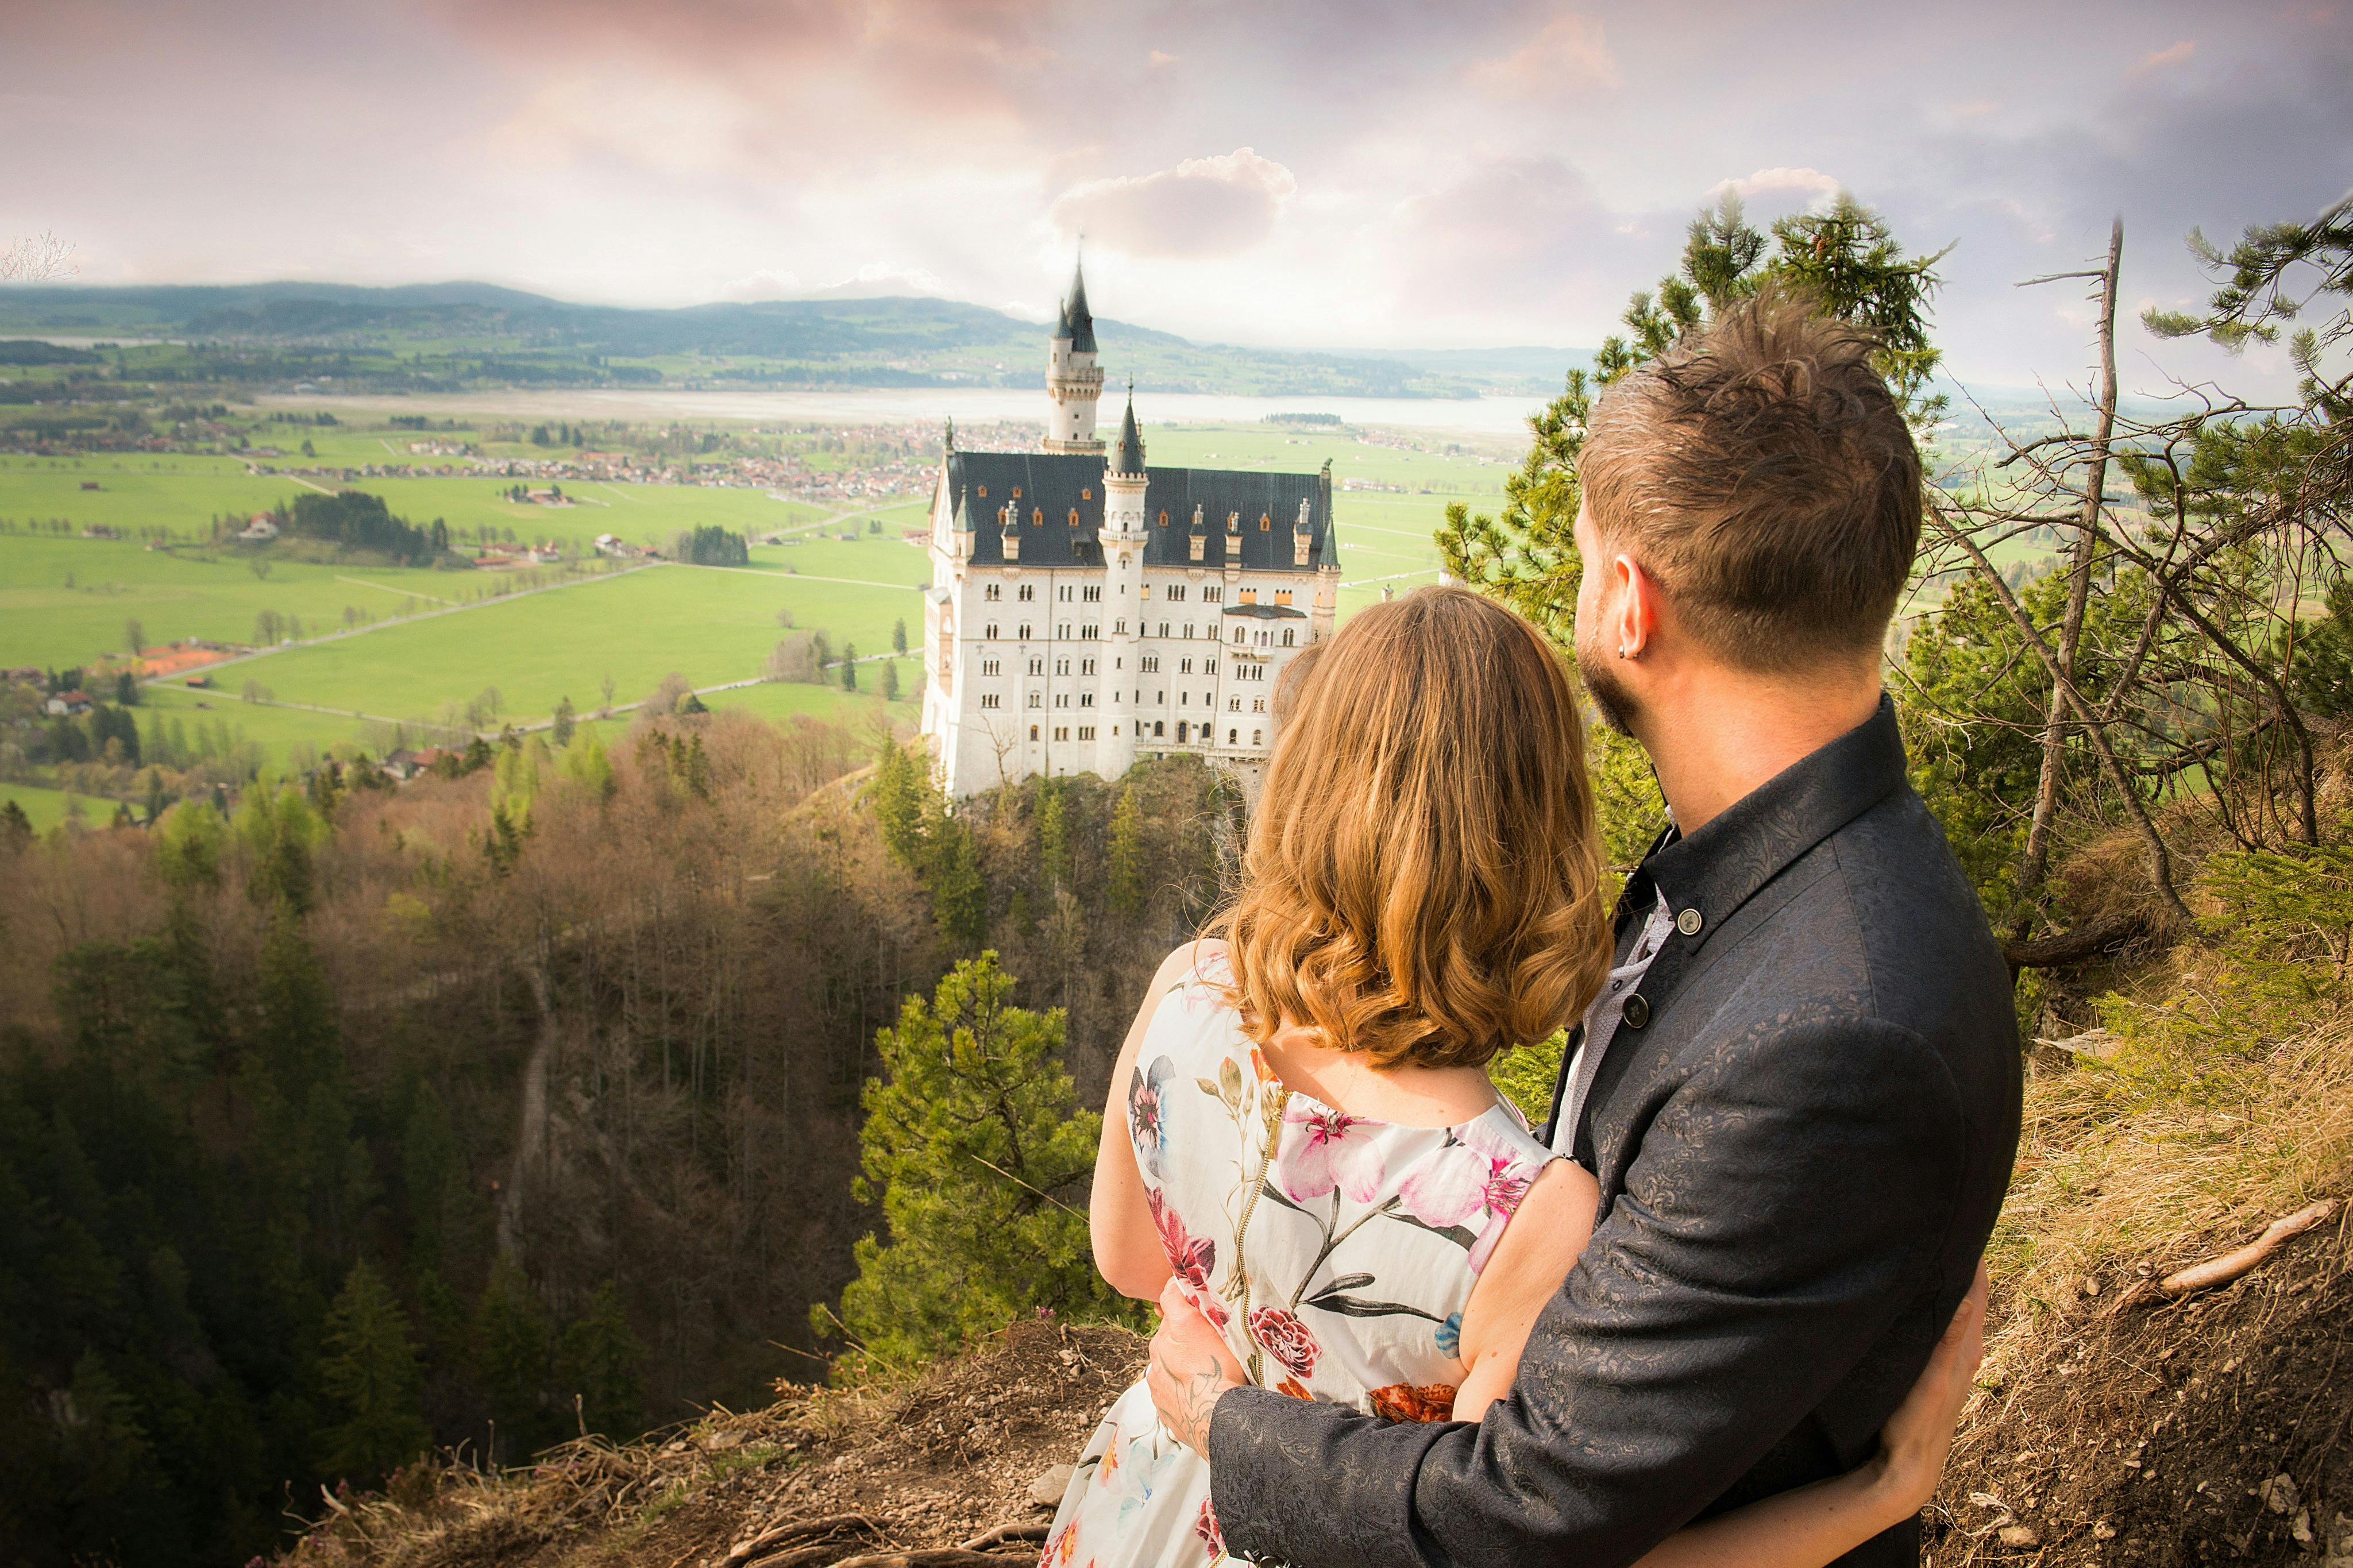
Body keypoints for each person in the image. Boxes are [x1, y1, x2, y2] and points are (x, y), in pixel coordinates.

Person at [1147, 291, 2021, 1567]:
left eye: (1573, 559)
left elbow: (1521, 1516)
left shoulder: (1834, 1037)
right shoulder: (1765, 866)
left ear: (1627, 601)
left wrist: (1224, 1424)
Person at [1037, 585, 1991, 1568]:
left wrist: (1228, 1371)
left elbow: (1129, 1259)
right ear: (1542, 844)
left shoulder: (1189, 989)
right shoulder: (1527, 1215)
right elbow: (1508, 1546)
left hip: (1148, 1499)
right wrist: (1881, 1493)